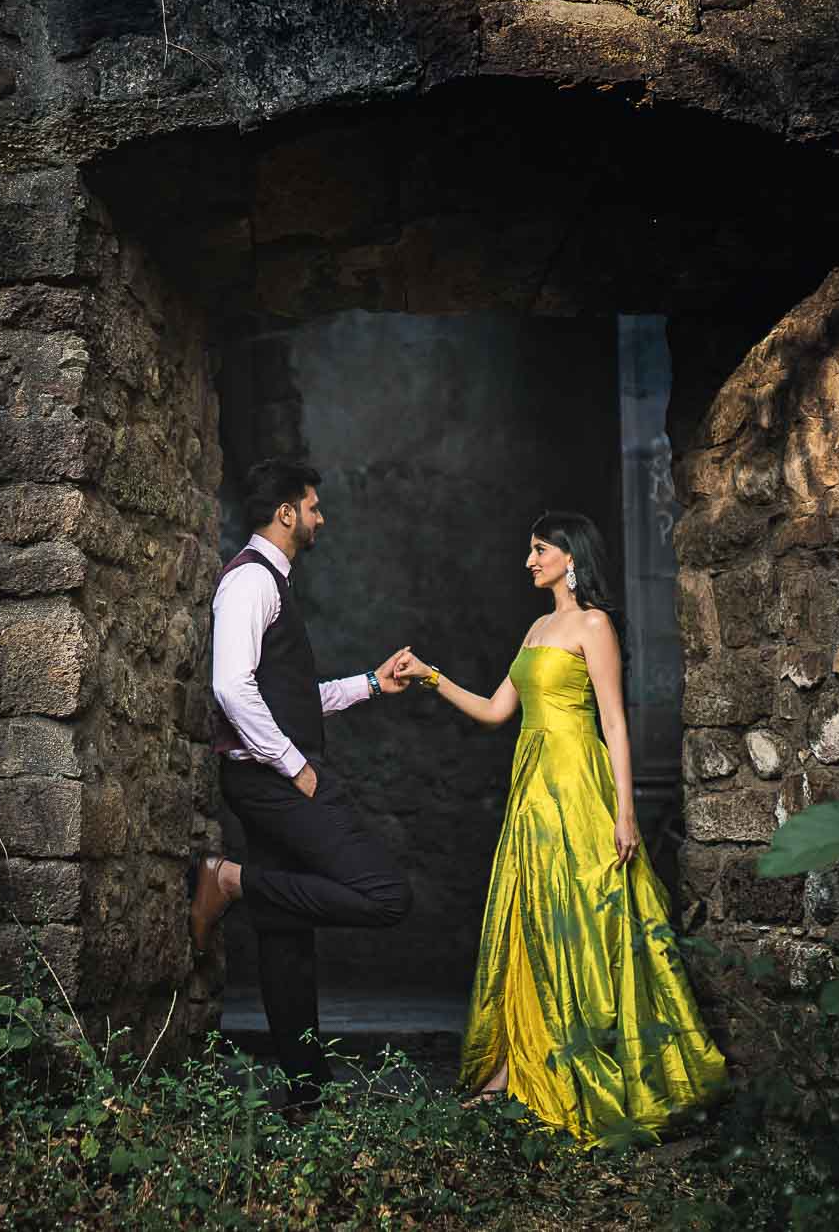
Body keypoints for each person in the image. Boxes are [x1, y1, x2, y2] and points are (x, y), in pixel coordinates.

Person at [399, 510, 725, 1142]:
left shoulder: (593, 625)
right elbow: (498, 711)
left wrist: (625, 810)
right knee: (528, 920)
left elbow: (614, 722)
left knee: (586, 922)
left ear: (570, 556)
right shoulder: (537, 628)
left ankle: (597, 1066)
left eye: (540, 548)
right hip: (533, 793)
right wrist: (429, 676)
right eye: (530, 549)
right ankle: (507, 1070)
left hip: (579, 787)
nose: (530, 559)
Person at [186, 457, 417, 1107]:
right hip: (274, 782)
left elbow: (288, 694)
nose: (320, 517)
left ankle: (304, 1099)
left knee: (285, 938)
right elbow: (231, 685)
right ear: (286, 511)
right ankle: (227, 879)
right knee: (386, 895)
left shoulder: (272, 583)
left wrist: (371, 683)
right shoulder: (249, 582)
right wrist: (297, 766)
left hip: (271, 779)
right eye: (313, 505)